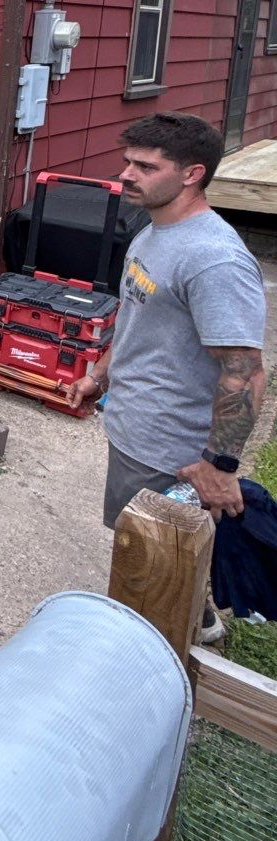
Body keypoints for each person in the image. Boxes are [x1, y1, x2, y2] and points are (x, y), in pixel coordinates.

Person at [64, 113, 267, 533]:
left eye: (146, 167)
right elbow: (139, 319)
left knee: (157, 576)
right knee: (136, 558)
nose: (127, 175)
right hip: (133, 433)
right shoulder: (151, 232)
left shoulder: (214, 260)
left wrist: (219, 466)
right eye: (128, 162)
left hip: (171, 455)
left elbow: (245, 374)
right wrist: (99, 378)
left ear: (193, 174)